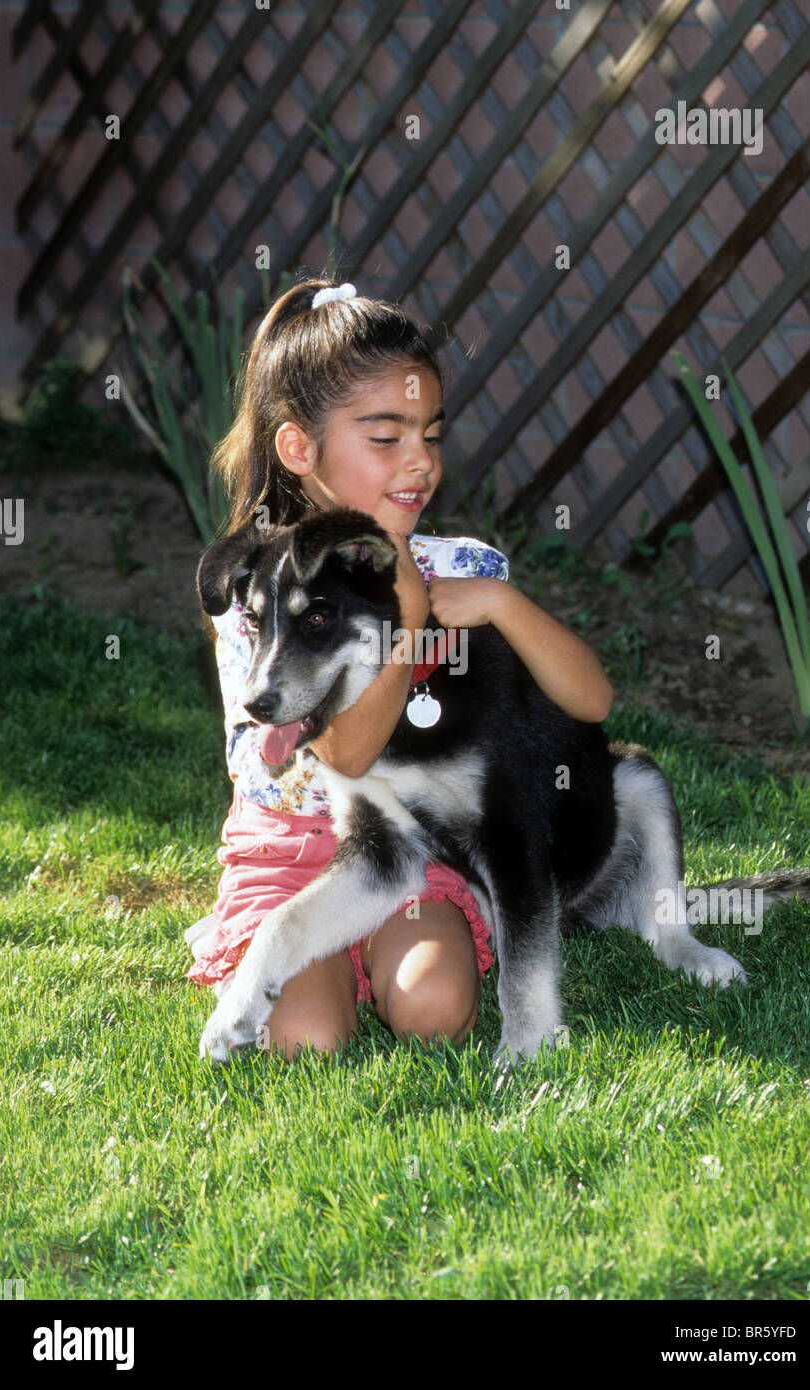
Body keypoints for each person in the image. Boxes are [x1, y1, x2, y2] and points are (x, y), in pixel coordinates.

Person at [185, 277, 613, 1062]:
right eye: (386, 438)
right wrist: (409, 617)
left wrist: (497, 600)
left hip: (420, 853)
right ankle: (294, 968)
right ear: (298, 448)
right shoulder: (257, 592)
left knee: (436, 1010)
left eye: (431, 434)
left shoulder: (461, 565)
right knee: (307, 1039)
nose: (418, 461)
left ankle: (407, 956)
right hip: (291, 858)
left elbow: (591, 699)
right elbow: (344, 754)